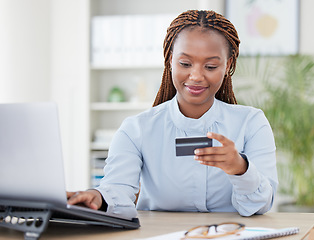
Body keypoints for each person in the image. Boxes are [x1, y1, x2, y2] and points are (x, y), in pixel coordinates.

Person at [67, 10, 278, 218]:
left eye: (211, 66)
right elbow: (117, 189)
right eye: (185, 64)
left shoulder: (251, 123)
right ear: (169, 59)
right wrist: (97, 196)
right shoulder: (137, 129)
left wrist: (240, 168)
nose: (196, 76)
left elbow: (260, 205)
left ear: (227, 65)